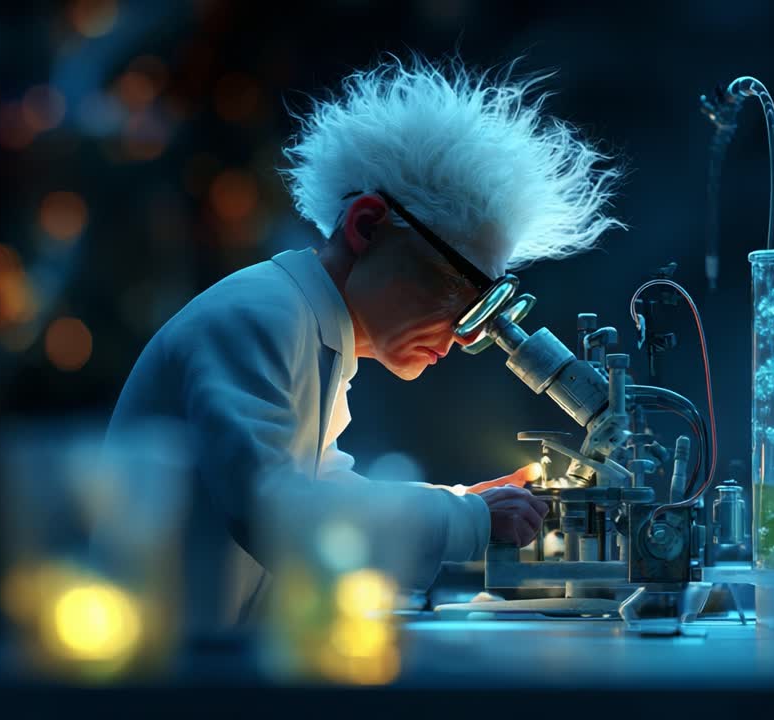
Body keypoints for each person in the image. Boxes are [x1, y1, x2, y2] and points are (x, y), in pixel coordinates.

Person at [107, 55, 622, 627]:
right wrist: (466, 519)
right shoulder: (260, 317)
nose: (464, 329)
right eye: (462, 290)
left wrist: (467, 504)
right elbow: (277, 513)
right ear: (367, 226)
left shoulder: (308, 326)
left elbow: (320, 488)